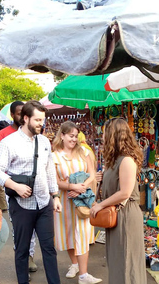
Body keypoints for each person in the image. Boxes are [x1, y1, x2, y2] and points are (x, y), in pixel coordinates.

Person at [0, 100, 61, 284]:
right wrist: (15, 186)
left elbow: (49, 170)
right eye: (37, 120)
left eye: (42, 120)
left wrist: (55, 196)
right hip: (21, 205)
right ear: (25, 118)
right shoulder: (9, 142)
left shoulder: (45, 141)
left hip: (44, 202)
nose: (41, 123)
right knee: (22, 250)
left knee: (49, 249)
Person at [89, 118, 146, 284]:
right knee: (118, 261)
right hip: (118, 216)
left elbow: (125, 193)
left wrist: (100, 205)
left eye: (105, 132)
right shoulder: (115, 160)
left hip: (126, 216)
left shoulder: (126, 160)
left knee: (127, 261)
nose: (103, 136)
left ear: (113, 135)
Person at [52, 121, 101, 284]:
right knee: (69, 233)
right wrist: (70, 186)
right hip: (65, 200)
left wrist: (82, 187)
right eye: (71, 136)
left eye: (76, 136)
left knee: (83, 234)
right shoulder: (54, 156)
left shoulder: (84, 152)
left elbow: (92, 174)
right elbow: (54, 180)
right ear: (63, 135)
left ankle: (83, 275)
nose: (74, 139)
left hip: (83, 199)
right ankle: (74, 264)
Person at [0, 100, 38, 273]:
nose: (22, 116)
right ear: (12, 114)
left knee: (33, 225)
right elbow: (0, 167)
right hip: (13, 188)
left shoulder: (34, 134)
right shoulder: (4, 135)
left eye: (24, 113)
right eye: (19, 113)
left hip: (32, 188)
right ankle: (22, 255)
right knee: (19, 226)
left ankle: (30, 255)